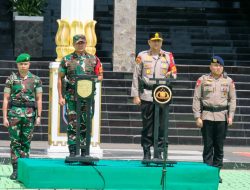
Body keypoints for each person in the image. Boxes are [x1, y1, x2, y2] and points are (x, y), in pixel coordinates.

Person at [131, 32, 177, 160]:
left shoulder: (167, 56)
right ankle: (146, 151)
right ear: (149, 42)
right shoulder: (142, 56)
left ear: (161, 42)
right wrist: (135, 95)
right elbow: (136, 76)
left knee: (162, 125)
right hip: (146, 94)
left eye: (159, 41)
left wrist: (170, 74)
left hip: (162, 95)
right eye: (154, 40)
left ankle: (159, 151)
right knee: (147, 125)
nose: (156, 43)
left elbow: (174, 71)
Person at [192, 55, 236, 183]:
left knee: (219, 147)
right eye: (215, 65)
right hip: (206, 116)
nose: (217, 68)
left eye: (219, 66)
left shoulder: (228, 81)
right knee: (208, 146)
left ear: (222, 67)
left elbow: (232, 99)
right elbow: (196, 98)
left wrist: (231, 115)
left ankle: (216, 173)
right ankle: (207, 173)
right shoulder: (203, 80)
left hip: (222, 117)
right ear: (210, 67)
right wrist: (197, 116)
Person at [58, 34, 103, 157]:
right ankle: (73, 150)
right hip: (72, 97)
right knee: (73, 123)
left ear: (86, 43)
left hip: (87, 98)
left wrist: (90, 80)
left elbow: (100, 76)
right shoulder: (67, 59)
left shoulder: (94, 59)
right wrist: (60, 97)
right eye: (78, 43)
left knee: (86, 123)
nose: (80, 45)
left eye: (82, 42)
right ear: (73, 44)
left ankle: (84, 150)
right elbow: (60, 78)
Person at [2, 53, 43, 180]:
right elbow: (6, 99)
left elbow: (39, 99)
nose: (23, 66)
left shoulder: (36, 80)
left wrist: (39, 116)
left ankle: (24, 169)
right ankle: (15, 170)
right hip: (14, 115)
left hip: (29, 115)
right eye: (21, 64)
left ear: (29, 64)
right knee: (15, 143)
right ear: (17, 65)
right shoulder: (11, 79)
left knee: (26, 143)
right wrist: (4, 117)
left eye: (25, 64)